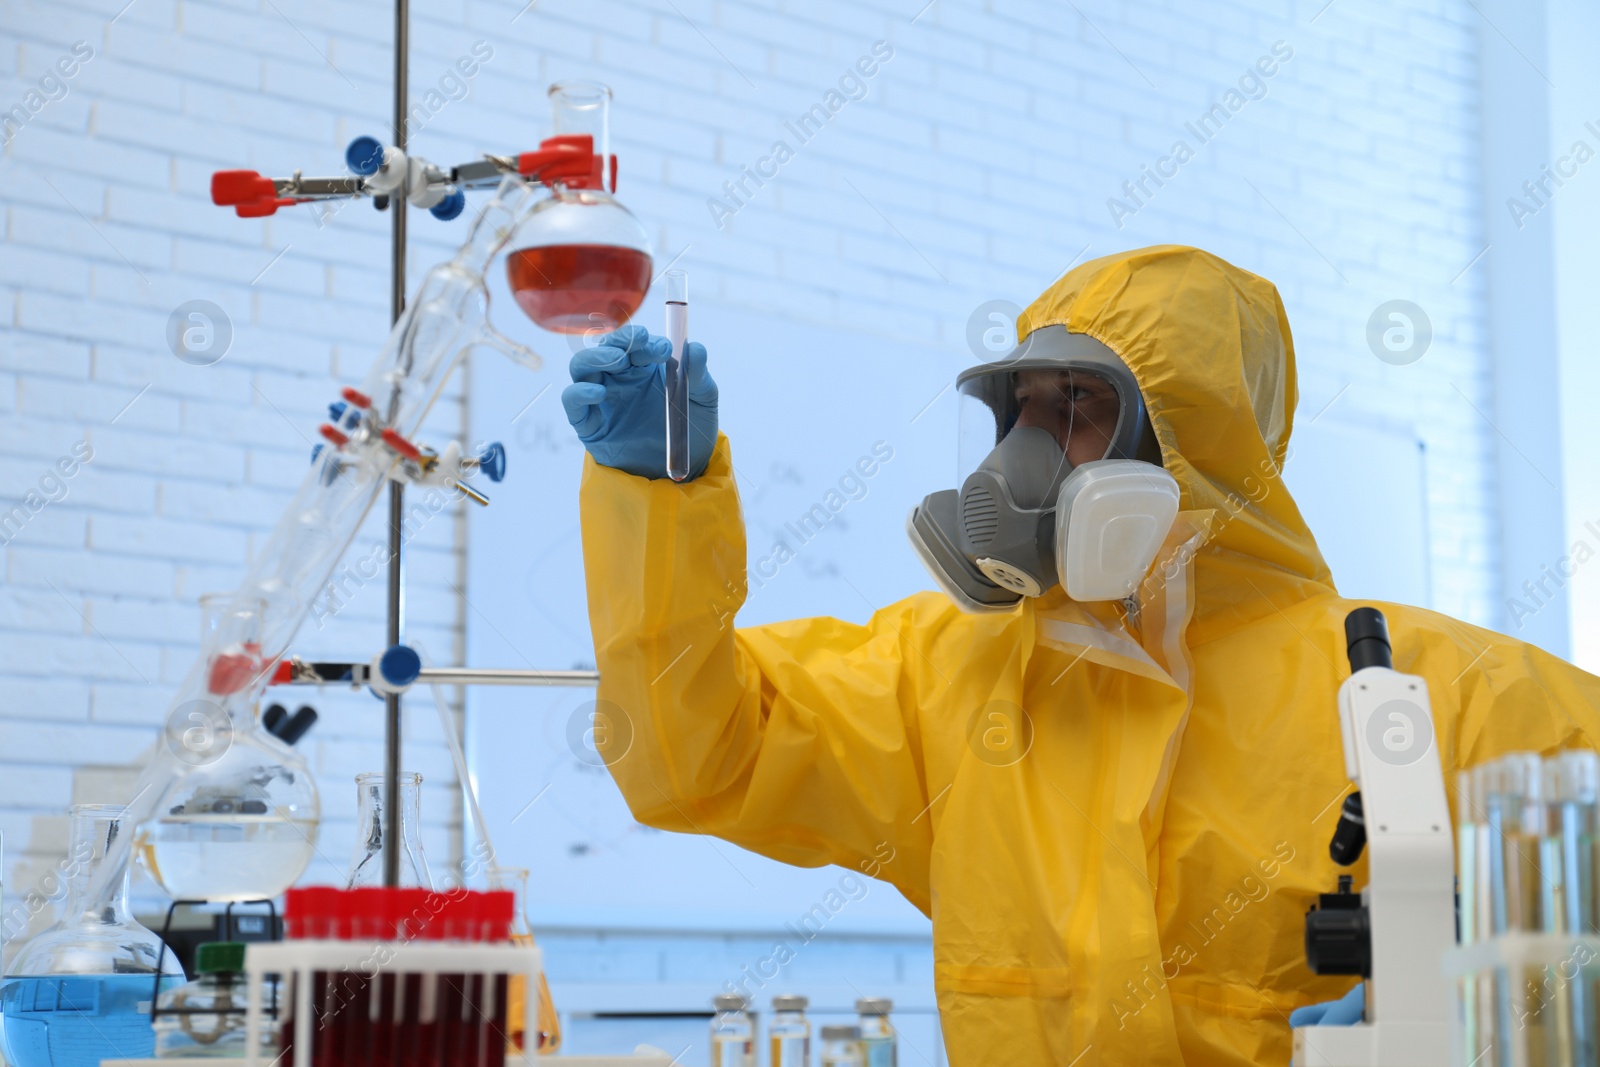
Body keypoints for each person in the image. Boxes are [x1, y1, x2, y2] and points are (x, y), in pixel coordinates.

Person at [561, 245, 1600, 1065]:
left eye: (1078, 408)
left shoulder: (1417, 689)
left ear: (1188, 443)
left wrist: (1487, 1003)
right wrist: (660, 497)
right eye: (1020, 410)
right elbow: (700, 755)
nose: (1023, 457)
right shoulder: (945, 674)